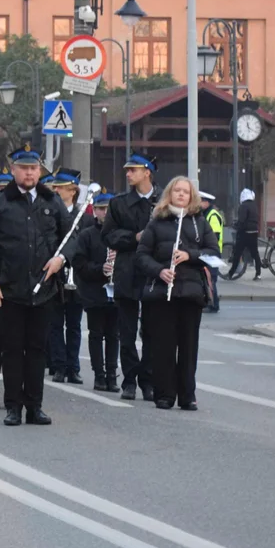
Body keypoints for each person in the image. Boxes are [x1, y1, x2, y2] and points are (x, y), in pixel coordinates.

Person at [0, 143, 74, 427]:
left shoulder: (52, 201)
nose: (29, 173)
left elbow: (73, 237)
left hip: (43, 290)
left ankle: (34, 406)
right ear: (13, 171)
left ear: (39, 171)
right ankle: (13, 406)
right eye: (24, 168)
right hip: (9, 289)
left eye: (34, 168)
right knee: (12, 350)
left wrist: (61, 259)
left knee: (37, 350)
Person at [135, 176, 219, 410]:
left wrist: (190, 255)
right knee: (164, 345)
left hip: (191, 292)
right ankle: (165, 393)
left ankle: (187, 395)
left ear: (192, 197)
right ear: (169, 194)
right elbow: (141, 255)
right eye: (177, 191)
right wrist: (160, 271)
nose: (181, 194)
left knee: (189, 345)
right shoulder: (157, 222)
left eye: (186, 191)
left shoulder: (199, 222)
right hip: (163, 293)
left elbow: (213, 251)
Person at [101, 153, 159, 401]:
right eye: (127, 170)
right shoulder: (119, 203)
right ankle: (129, 380)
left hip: (154, 274)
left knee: (152, 332)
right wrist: (134, 238)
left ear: (147, 172)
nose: (128, 174)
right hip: (127, 272)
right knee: (126, 332)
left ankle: (148, 379)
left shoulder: (163, 201)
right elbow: (108, 235)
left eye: (133, 170)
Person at [71, 189, 119, 392]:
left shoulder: (120, 234)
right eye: (100, 209)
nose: (104, 213)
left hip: (117, 292)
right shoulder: (87, 235)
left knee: (114, 335)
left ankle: (112, 375)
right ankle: (99, 375)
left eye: (108, 209)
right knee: (96, 334)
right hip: (94, 291)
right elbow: (79, 263)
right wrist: (100, 269)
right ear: (95, 212)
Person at [47, 168, 89, 384]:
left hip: (76, 276)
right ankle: (59, 366)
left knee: (74, 325)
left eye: (60, 188)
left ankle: (73, 367)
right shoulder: (50, 213)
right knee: (55, 324)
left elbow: (85, 245)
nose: (55, 190)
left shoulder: (83, 217)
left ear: (72, 191)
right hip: (55, 276)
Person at [229, 188, 262, 281]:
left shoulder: (243, 206)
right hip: (254, 232)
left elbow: (242, 221)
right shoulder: (254, 206)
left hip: (245, 233)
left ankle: (231, 273)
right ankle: (258, 273)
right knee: (255, 253)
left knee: (237, 253)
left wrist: (236, 226)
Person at [200, 192, 224, 313]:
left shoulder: (213, 215)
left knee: (211, 279)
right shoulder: (206, 214)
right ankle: (209, 302)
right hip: (209, 252)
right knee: (207, 278)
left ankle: (214, 304)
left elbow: (214, 235)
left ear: (207, 202)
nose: (199, 203)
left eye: (201, 201)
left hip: (213, 252)